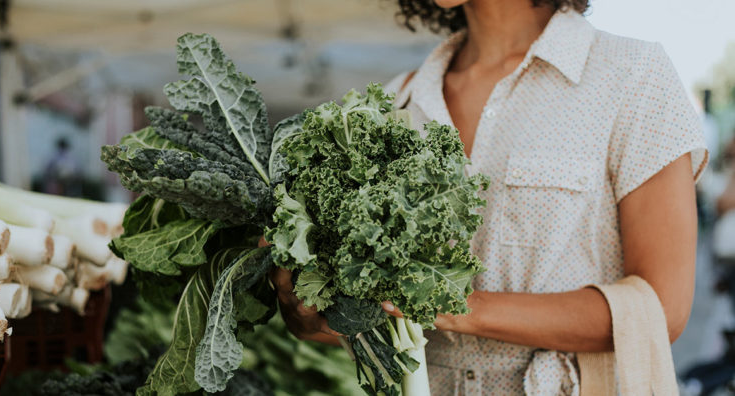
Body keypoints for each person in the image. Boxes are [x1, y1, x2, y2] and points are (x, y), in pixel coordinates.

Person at [271, 0, 708, 394]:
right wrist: (314, 315)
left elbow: (661, 308)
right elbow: (371, 316)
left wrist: (453, 304)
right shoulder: (395, 102)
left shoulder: (631, 75)